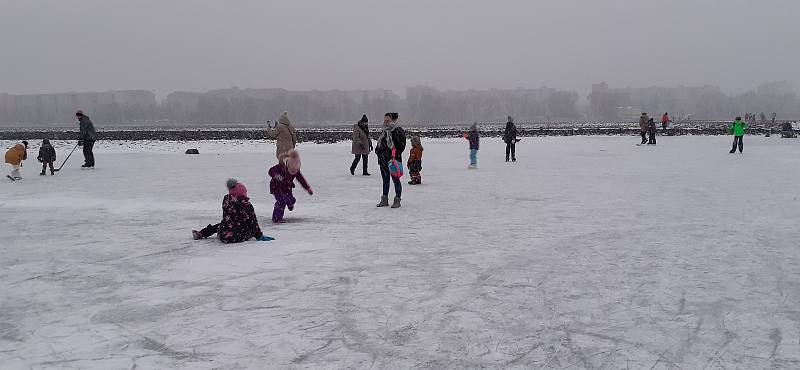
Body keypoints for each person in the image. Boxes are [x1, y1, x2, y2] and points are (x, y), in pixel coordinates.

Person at [192, 179, 273, 243]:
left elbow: (227, 217)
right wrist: (259, 236)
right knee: (249, 227)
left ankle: (202, 233)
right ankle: (241, 233)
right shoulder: (246, 205)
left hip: (222, 234)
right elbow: (253, 222)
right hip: (236, 236)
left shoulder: (226, 201)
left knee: (223, 223)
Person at [268, 149, 313, 223]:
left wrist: (308, 188)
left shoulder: (296, 171)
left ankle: (291, 203)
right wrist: (277, 176)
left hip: (287, 188)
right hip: (276, 187)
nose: (293, 172)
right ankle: (277, 218)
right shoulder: (280, 167)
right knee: (281, 201)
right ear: (287, 165)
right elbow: (270, 171)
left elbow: (301, 180)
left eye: (295, 171)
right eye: (292, 170)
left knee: (290, 200)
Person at [375, 112, 406, 208]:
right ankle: (384, 200)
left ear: (393, 120)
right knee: (385, 180)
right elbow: (380, 144)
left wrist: (394, 155)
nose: (385, 122)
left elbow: (401, 146)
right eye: (384, 120)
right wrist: (378, 151)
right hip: (383, 160)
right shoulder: (384, 131)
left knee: (396, 180)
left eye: (387, 120)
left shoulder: (397, 130)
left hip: (393, 161)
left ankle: (397, 199)